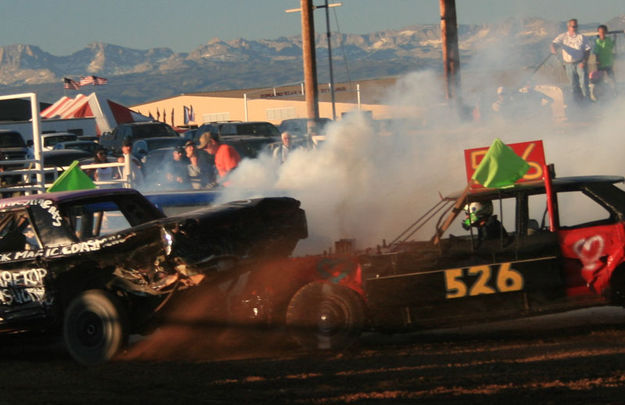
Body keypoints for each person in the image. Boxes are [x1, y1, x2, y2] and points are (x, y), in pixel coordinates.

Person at [550, 18, 592, 104]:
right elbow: (554, 43)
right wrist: (553, 48)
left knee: (583, 83)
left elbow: (587, 50)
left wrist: (584, 61)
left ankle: (587, 101)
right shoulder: (562, 36)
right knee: (573, 85)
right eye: (573, 26)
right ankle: (576, 103)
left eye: (576, 26)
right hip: (568, 64)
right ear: (568, 27)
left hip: (580, 62)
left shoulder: (582, 37)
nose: (575, 28)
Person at [591, 24, 616, 100]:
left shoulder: (608, 40)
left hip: (609, 63)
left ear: (606, 32)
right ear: (598, 33)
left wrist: (615, 39)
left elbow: (611, 46)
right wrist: (597, 60)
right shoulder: (597, 42)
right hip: (601, 64)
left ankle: (615, 92)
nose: (602, 34)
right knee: (600, 80)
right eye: (600, 32)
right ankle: (601, 95)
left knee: (612, 78)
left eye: (603, 32)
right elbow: (596, 53)